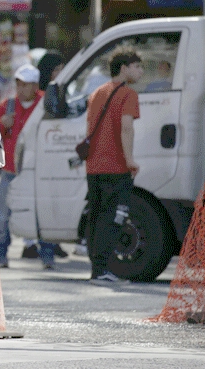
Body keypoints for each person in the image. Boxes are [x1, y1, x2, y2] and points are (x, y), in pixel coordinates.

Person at [84, 46, 142, 286]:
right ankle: (103, 271)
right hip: (116, 166)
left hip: (94, 166)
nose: (140, 71)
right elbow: (126, 127)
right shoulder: (128, 94)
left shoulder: (97, 92)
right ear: (124, 67)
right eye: (137, 66)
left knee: (96, 217)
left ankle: (96, 270)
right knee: (114, 217)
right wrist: (130, 159)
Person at [0, 64, 58, 269]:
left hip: (38, 171)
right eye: (19, 84)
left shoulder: (45, 105)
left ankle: (47, 254)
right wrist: (3, 124)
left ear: (35, 86)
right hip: (11, 170)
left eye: (26, 85)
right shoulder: (8, 106)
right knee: (3, 216)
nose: (21, 89)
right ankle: (1, 254)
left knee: (43, 213)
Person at [20, 52, 70, 262]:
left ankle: (51, 243)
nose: (61, 72)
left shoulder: (58, 91)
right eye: (57, 68)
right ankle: (32, 244)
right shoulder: (41, 96)